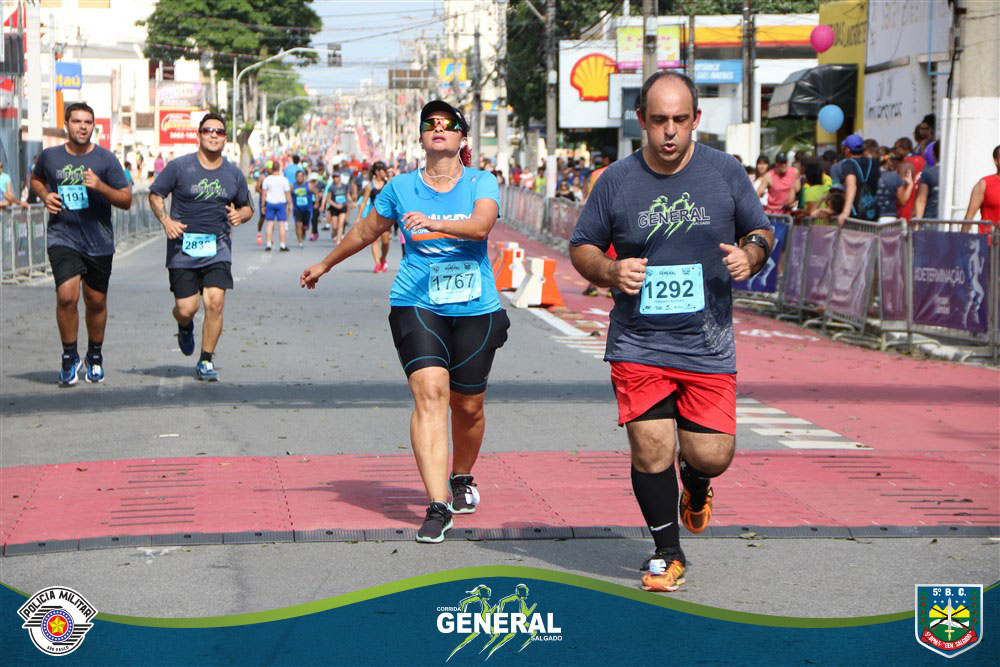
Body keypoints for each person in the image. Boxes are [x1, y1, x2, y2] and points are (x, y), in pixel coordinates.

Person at [568, 71, 773, 592]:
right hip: (638, 340)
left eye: (680, 119)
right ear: (642, 119)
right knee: (651, 447)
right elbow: (582, 246)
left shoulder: (724, 172)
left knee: (712, 455)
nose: (670, 131)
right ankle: (667, 552)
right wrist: (610, 270)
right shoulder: (615, 180)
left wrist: (751, 254)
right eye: (659, 120)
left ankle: (697, 482)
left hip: (707, 342)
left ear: (696, 119)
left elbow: (761, 230)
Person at [301, 100, 509, 544]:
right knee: (431, 393)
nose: (439, 128)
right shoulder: (400, 187)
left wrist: (434, 223)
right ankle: (437, 505)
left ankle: (462, 476)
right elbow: (366, 230)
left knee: (468, 406)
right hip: (416, 302)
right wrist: (325, 264)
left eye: (448, 124)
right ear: (420, 137)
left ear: (462, 136)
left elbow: (480, 226)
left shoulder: (481, 181)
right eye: (430, 123)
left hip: (475, 307)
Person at [30, 102, 132, 385]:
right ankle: (69, 356)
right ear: (67, 124)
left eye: (88, 122)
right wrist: (45, 195)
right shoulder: (50, 157)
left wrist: (100, 186)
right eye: (77, 121)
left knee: (95, 301)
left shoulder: (105, 159)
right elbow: (36, 179)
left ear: (93, 126)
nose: (83, 127)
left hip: (98, 240)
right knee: (66, 296)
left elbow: (126, 200)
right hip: (63, 236)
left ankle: (94, 356)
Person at [148, 113, 253, 381]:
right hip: (183, 250)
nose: (214, 135)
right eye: (208, 130)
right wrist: (166, 220)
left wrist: (240, 215)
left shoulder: (233, 174)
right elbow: (156, 194)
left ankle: (206, 359)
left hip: (218, 248)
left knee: (215, 303)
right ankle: (184, 326)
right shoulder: (179, 167)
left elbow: (247, 207)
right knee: (187, 309)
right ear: (199, 135)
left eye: (219, 131)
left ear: (225, 138)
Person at [835, 134, 880, 224]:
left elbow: (851, 187)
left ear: (848, 150)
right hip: (873, 209)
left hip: (856, 213)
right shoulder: (874, 162)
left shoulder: (848, 164)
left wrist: (845, 212)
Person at [358, 161, 391, 272]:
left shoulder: (388, 184)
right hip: (374, 217)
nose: (385, 172)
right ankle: (377, 263)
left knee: (385, 241)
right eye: (383, 170)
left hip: (386, 217)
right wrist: (359, 217)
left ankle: (383, 258)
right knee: (375, 240)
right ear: (377, 171)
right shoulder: (370, 186)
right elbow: (364, 202)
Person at [963, 145, 1000, 235]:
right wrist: (962, 240)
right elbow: (969, 216)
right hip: (990, 240)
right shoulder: (984, 184)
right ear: (996, 161)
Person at [260, 161, 291, 252]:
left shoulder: (267, 179)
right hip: (281, 203)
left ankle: (268, 244)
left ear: (272, 169)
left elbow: (264, 194)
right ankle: (282, 244)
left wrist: (263, 205)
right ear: (279, 168)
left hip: (270, 203)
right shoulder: (284, 179)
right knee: (282, 224)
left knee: (269, 224)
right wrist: (289, 204)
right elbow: (288, 194)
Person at [875, 156, 914, 222]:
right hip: (889, 216)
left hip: (872, 215)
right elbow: (903, 201)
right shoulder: (895, 177)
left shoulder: (871, 175)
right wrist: (910, 184)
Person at [320, 166, 350, 244]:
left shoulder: (344, 186)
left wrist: (350, 202)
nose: (335, 178)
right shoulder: (331, 187)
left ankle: (339, 240)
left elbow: (347, 196)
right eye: (334, 177)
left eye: (337, 177)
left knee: (341, 223)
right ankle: (335, 233)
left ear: (339, 178)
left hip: (343, 207)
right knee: (335, 226)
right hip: (334, 208)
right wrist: (335, 205)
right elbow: (328, 199)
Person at [291, 170, 314, 249]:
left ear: (304, 177)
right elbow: (288, 195)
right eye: (298, 176)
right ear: (296, 177)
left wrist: (317, 203)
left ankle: (303, 231)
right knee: (298, 224)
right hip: (297, 208)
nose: (300, 178)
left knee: (306, 227)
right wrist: (288, 204)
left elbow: (316, 193)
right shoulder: (292, 186)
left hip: (307, 209)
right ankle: (300, 241)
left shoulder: (309, 185)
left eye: (301, 176)